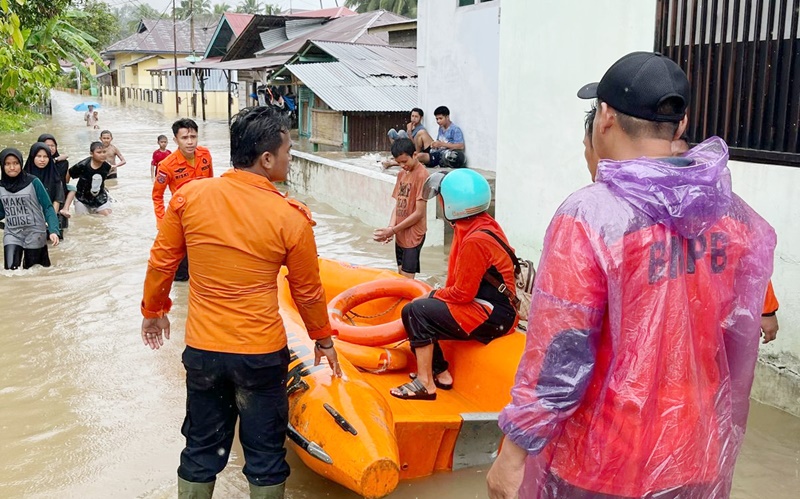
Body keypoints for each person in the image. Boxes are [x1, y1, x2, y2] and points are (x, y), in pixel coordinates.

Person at [487, 52, 776, 499]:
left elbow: (560, 352)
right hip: (697, 453)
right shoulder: (734, 217)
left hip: (602, 461)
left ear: (604, 116)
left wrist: (514, 451)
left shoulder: (590, 216)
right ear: (680, 128)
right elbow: (739, 339)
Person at [140, 106, 341, 499]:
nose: (289, 159)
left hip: (203, 351)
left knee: (200, 449)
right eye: (287, 151)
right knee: (266, 455)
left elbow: (161, 262)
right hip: (260, 355)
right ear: (266, 159)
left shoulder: (189, 198)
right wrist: (323, 339)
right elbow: (308, 291)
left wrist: (154, 312)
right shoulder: (291, 216)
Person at [389, 169, 518, 401]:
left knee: (415, 310)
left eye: (442, 199)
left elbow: (462, 293)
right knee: (423, 307)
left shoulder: (475, 241)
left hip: (494, 315)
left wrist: (432, 295)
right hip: (495, 307)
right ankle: (441, 373)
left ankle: (425, 383)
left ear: (452, 204)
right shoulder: (481, 224)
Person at [671, 134, 781, 344]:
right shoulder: (646, 219)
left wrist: (767, 311)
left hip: (716, 332)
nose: (676, 168)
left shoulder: (726, 217)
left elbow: (753, 263)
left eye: (681, 158)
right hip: (669, 334)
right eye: (667, 159)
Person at [152, 118, 213, 282]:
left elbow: (211, 184)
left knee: (206, 264)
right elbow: (157, 195)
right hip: (182, 219)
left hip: (205, 217)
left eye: (193, 137)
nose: (190, 142)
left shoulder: (205, 154)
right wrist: (162, 222)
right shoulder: (166, 165)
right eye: (185, 138)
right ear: (175, 140)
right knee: (181, 272)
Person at [373, 138, 430, 279]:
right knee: (400, 276)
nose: (402, 165)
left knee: (407, 280)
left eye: (405, 161)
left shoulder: (422, 175)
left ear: (415, 155)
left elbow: (419, 213)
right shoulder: (401, 174)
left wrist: (392, 230)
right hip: (400, 233)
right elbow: (398, 204)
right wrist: (390, 228)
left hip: (414, 236)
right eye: (399, 163)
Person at [0, 148, 60, 270]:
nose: (12, 167)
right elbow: (1, 211)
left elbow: (47, 207)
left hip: (35, 233)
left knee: (33, 271)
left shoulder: (33, 182)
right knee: (11, 271)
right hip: (12, 233)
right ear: (2, 166)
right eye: (7, 164)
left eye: (16, 163)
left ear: (21, 164)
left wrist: (54, 230)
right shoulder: (0, 186)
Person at [61, 141, 113, 216]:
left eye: (104, 152)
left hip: (99, 197)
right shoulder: (82, 165)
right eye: (99, 152)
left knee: (107, 217)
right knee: (82, 219)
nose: (102, 155)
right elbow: (69, 173)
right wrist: (65, 188)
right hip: (81, 197)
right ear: (91, 154)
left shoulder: (107, 166)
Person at [38, 133, 72, 236]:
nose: (51, 148)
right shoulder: (34, 164)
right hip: (38, 204)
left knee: (60, 235)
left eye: (53, 145)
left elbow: (60, 182)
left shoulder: (63, 163)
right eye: (47, 145)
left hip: (57, 198)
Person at [24, 142, 65, 218]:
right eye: (39, 156)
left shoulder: (55, 177)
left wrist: (51, 219)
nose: (42, 160)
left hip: (50, 215)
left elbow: (57, 201)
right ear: (32, 157)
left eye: (45, 157)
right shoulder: (23, 177)